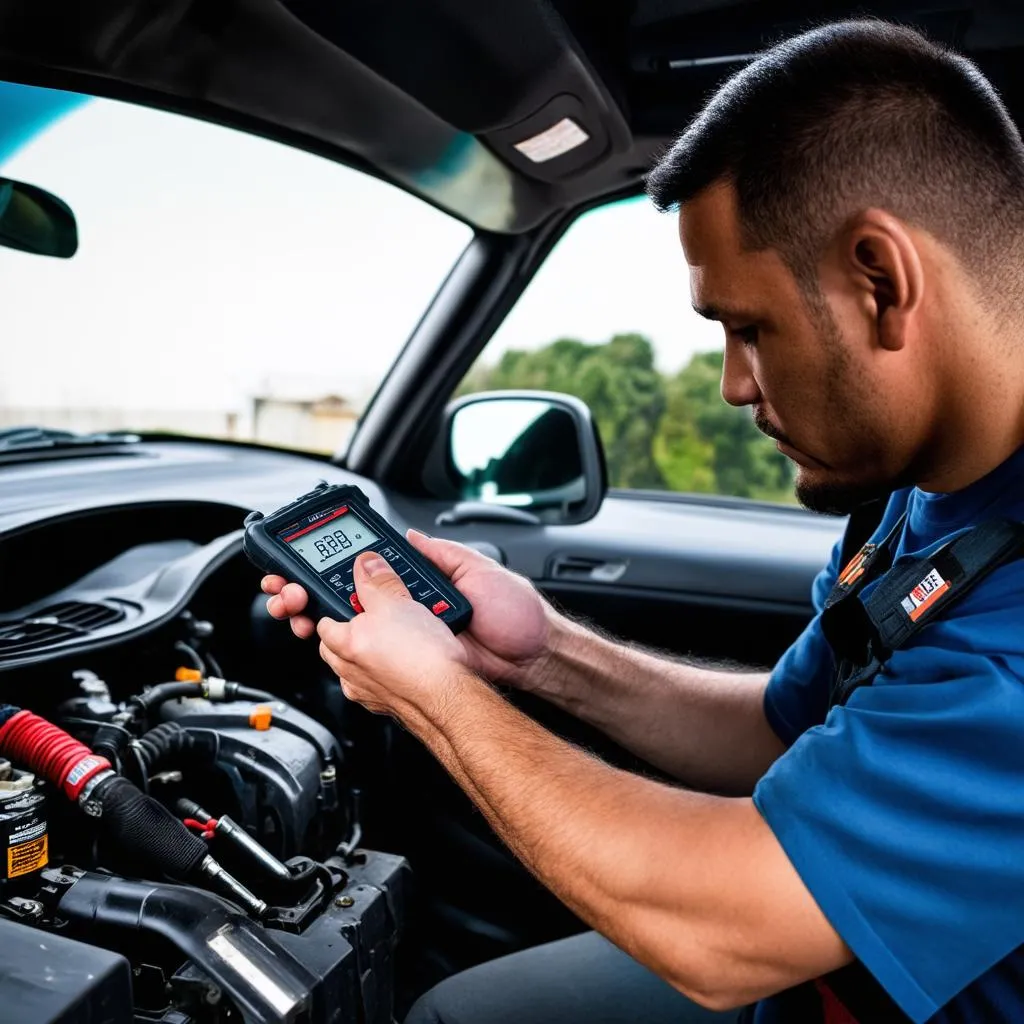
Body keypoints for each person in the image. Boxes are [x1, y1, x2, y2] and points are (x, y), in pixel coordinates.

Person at [263, 19, 1024, 1023]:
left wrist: (434, 694)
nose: (730, 385)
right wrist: (538, 654)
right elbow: (779, 731)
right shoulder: (911, 494)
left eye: (749, 328)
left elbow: (721, 936)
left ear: (880, 280)